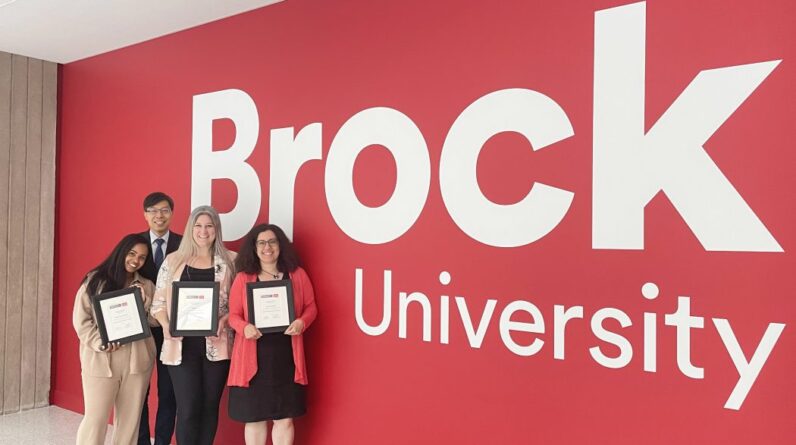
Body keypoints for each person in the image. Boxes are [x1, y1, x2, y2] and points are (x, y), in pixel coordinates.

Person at [150, 205, 236, 445]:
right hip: (180, 346)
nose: (203, 231)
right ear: (190, 229)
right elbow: (157, 303)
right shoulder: (173, 260)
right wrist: (166, 326)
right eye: (198, 225)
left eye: (209, 225)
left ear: (216, 229)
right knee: (187, 408)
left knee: (209, 407)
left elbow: (241, 304)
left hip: (217, 346)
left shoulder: (230, 261)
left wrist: (225, 319)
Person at [227, 224, 318, 445]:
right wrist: (244, 328)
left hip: (286, 358)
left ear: (280, 245)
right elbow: (233, 316)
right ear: (254, 248)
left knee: (284, 420)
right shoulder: (243, 278)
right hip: (252, 359)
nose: (267, 247)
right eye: (261, 242)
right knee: (255, 419)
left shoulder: (297, 275)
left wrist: (301, 322)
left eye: (272, 242)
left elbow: (311, 306)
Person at [73, 234, 156, 445]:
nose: (136, 260)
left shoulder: (146, 285)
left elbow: (156, 321)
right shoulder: (94, 281)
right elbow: (81, 321)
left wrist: (144, 303)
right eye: (132, 254)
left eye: (142, 257)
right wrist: (99, 342)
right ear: (121, 252)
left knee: (129, 423)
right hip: (101, 361)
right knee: (95, 420)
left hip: (137, 362)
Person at [138, 192, 181, 445]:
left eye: (164, 210)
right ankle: (142, 440)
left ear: (172, 214)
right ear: (145, 214)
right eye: (153, 210)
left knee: (169, 392)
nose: (159, 216)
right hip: (141, 329)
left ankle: (163, 441)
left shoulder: (185, 244)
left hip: (171, 329)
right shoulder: (135, 244)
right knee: (139, 392)